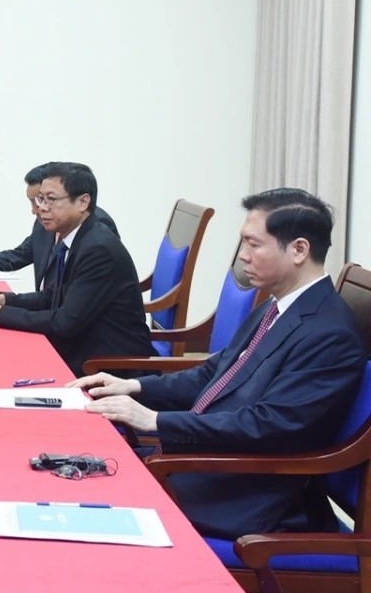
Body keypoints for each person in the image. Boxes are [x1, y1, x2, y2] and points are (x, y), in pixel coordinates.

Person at [71, 187, 365, 540]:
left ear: (299, 250)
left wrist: (155, 420)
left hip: (246, 494)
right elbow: (217, 372)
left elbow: (271, 425)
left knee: (91, 500)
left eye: (253, 244)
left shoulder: (330, 334)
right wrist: (134, 387)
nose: (242, 256)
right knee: (78, 465)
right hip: (208, 462)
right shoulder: (278, 305)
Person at [0, 162, 154, 375]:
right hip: (81, 351)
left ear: (82, 202)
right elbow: (51, 297)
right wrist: (1, 300)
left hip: (109, 367)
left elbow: (65, 323)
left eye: (50, 200)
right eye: (40, 199)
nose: (41, 208)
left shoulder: (98, 249)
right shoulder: (73, 237)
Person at [0, 162, 119, 289]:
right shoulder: (44, 224)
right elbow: (17, 256)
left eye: (47, 199)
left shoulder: (98, 228)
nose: (37, 209)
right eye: (37, 201)